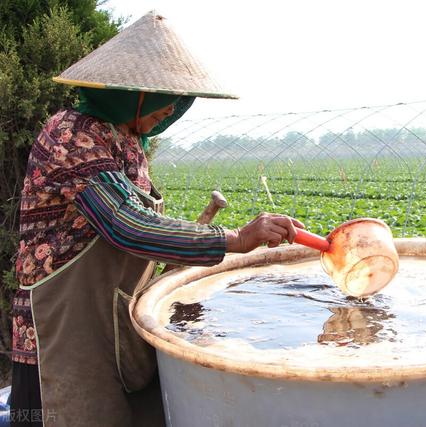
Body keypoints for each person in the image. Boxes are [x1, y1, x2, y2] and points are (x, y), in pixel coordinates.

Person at [10, 11, 303, 427]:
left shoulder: (128, 141)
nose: (171, 110)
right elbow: (124, 224)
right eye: (164, 98)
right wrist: (235, 238)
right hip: (61, 338)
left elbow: (139, 231)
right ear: (132, 92)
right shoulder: (70, 132)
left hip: (115, 328)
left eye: (180, 102)